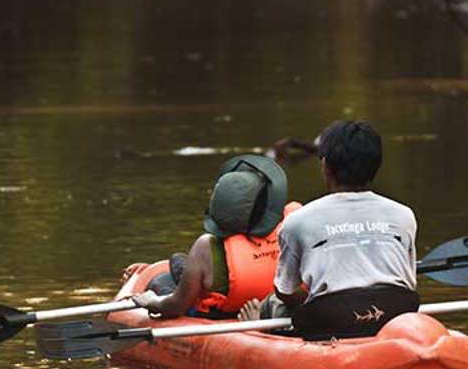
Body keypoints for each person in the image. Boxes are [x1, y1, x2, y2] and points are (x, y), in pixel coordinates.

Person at [243, 120, 418, 337]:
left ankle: (257, 331)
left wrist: (314, 297)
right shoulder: (404, 215)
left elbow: (285, 291)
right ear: (376, 165)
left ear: (325, 165)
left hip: (331, 320)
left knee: (273, 303)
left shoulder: (297, 221)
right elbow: (409, 282)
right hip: (396, 313)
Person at [130, 154, 301, 319]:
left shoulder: (205, 247)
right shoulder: (295, 223)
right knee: (177, 262)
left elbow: (177, 306)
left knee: (161, 281)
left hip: (224, 313)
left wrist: (152, 302)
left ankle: (181, 277)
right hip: (273, 304)